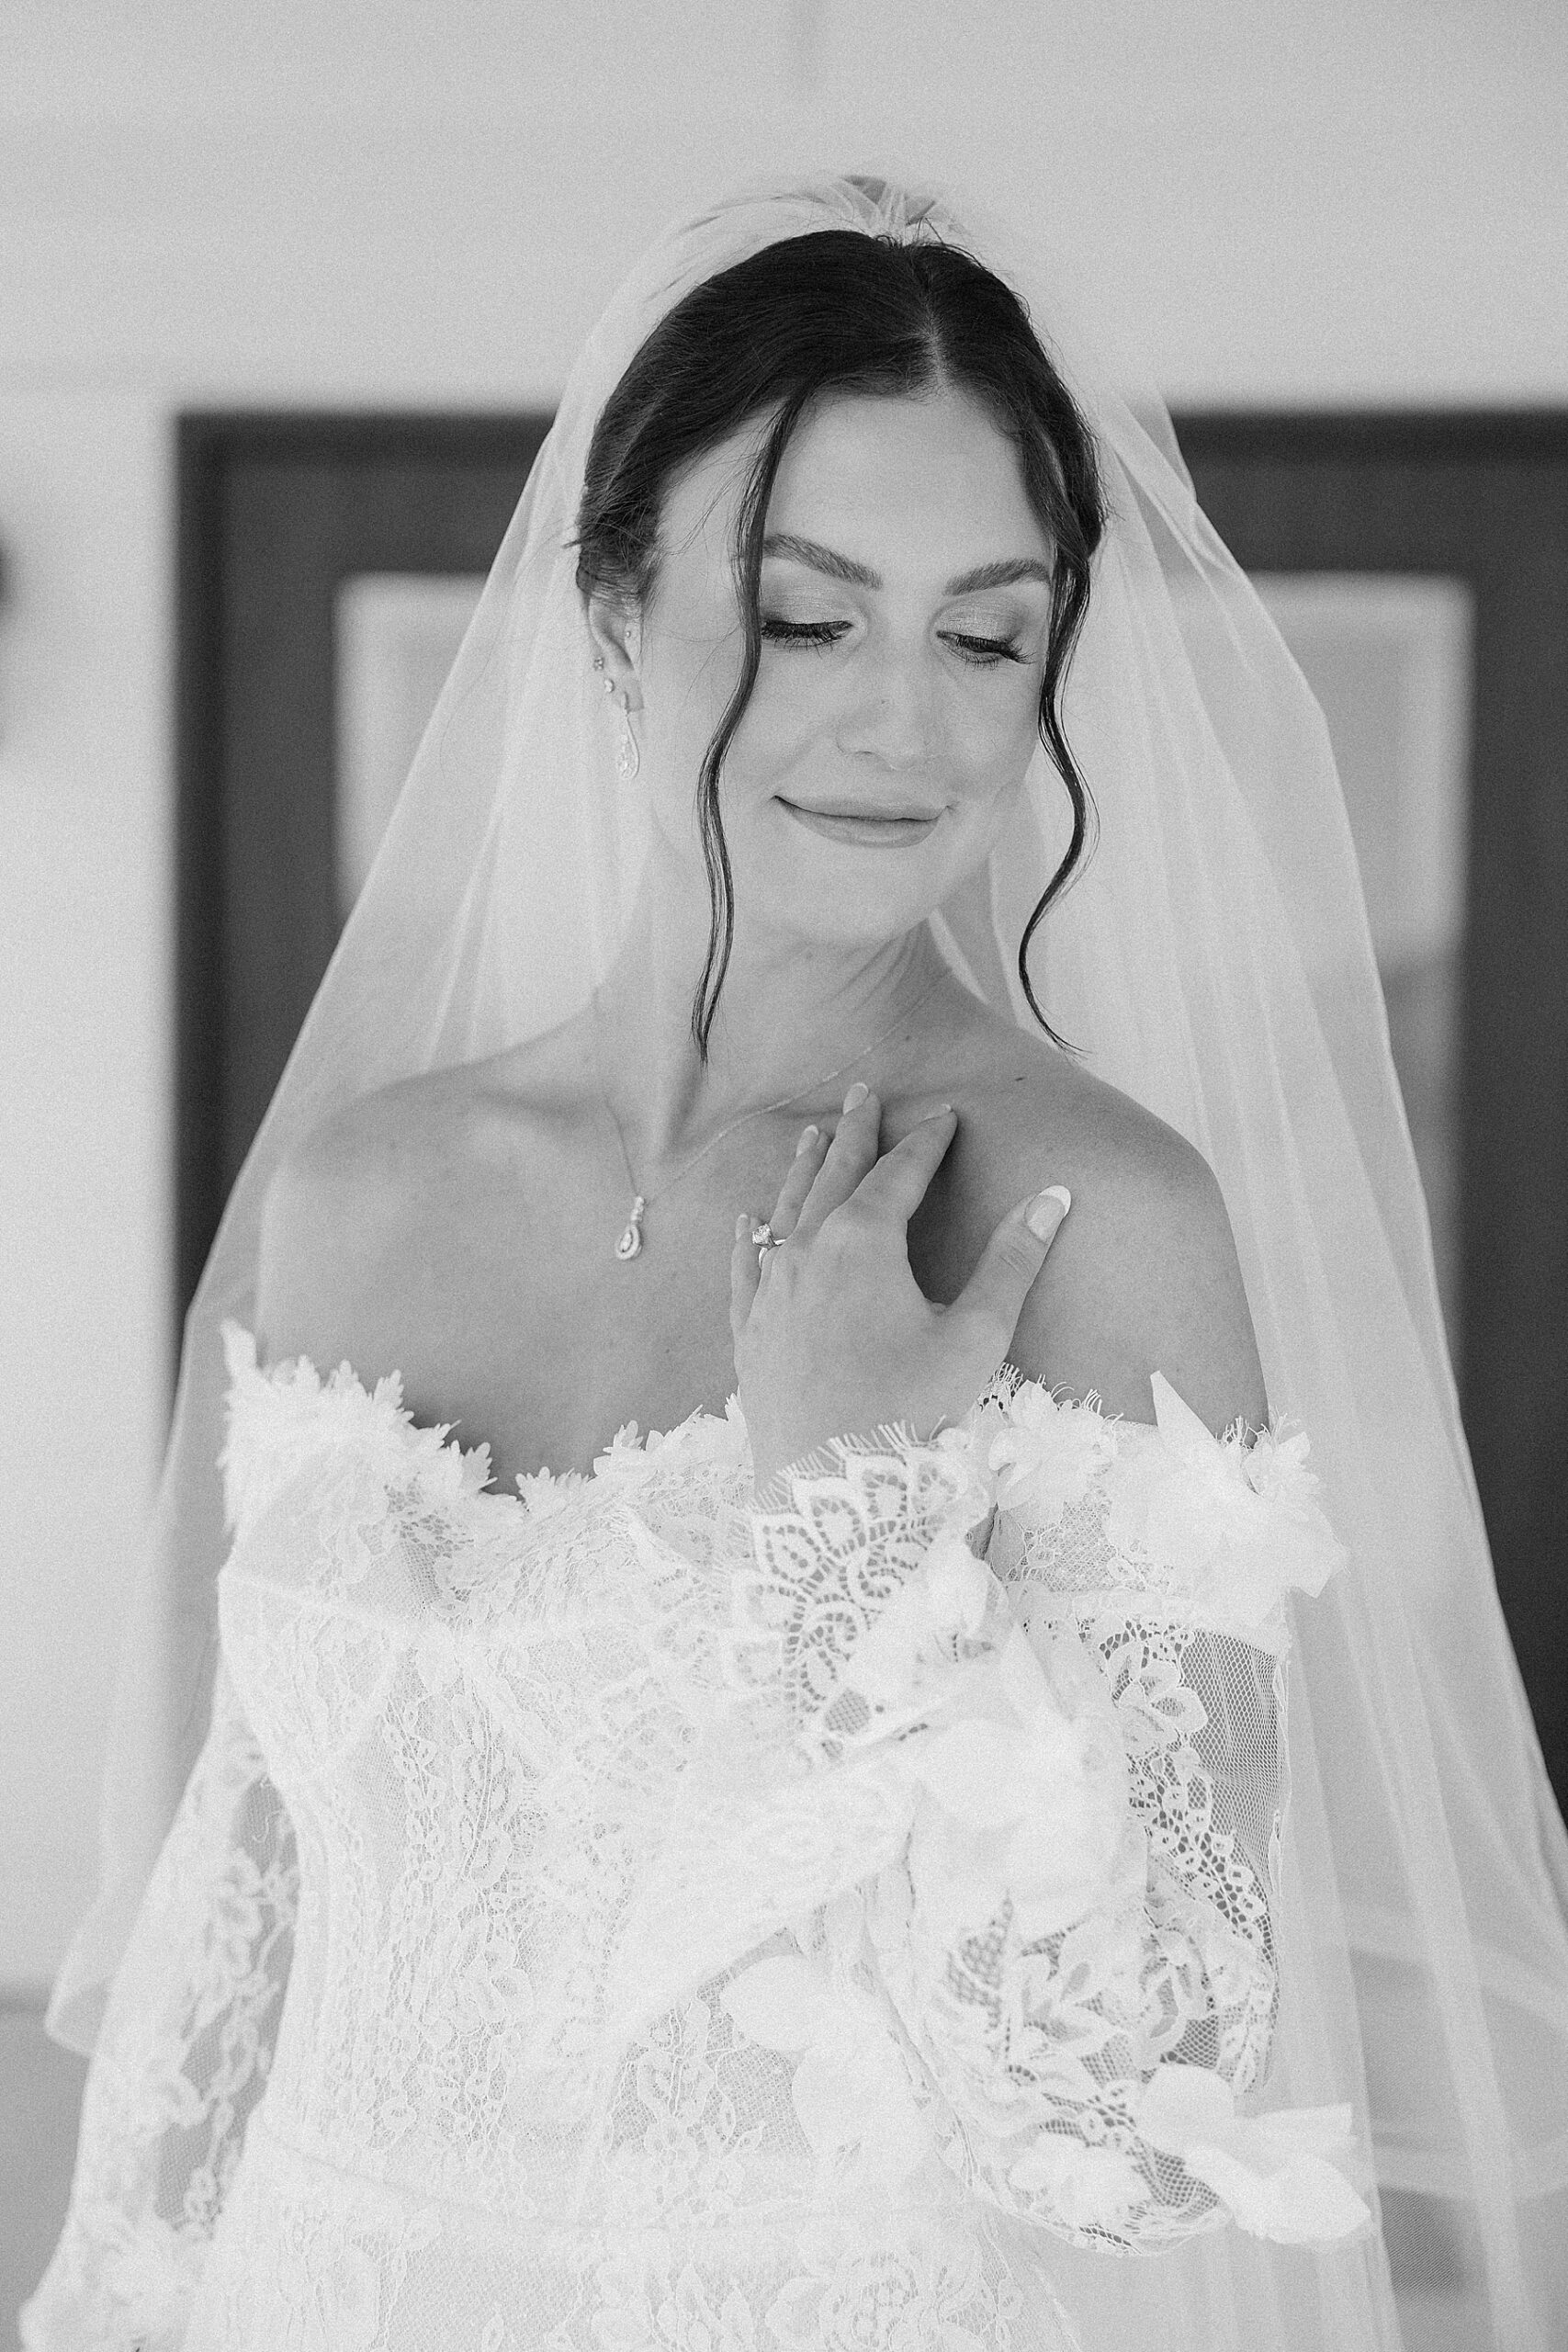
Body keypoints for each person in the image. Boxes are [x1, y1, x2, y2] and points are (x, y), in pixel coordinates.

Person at [22, 175, 1568, 2352]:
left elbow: (1144, 2118)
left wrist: (870, 1534)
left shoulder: (1094, 1224)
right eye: (804, 611)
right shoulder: (363, 1193)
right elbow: (239, 1933)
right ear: (612, 615)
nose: (901, 722)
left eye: (983, 631)